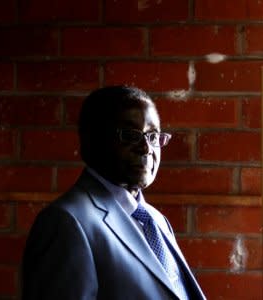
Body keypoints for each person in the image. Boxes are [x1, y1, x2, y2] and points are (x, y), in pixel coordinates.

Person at [21, 86, 206, 300]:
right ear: (92, 141)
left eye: (153, 136)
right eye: (130, 135)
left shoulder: (156, 221)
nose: (146, 148)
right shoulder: (66, 222)